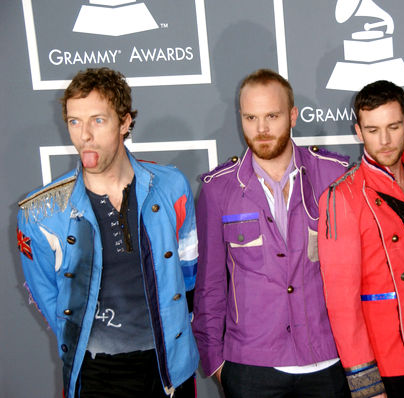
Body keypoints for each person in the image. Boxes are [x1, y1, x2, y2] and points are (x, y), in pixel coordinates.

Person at [16, 68, 199, 398]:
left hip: (170, 366)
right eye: (74, 121)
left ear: (125, 122)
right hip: (98, 373)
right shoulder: (39, 214)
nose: (84, 134)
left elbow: (189, 275)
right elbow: (50, 299)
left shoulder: (172, 187)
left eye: (98, 120)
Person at [192, 69, 350, 397]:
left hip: (330, 362)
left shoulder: (335, 176)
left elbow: (356, 274)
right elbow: (210, 286)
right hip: (250, 369)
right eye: (251, 118)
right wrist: (217, 364)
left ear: (292, 116)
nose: (261, 129)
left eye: (272, 116)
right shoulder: (218, 189)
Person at [318, 80, 404, 398]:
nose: (385, 140)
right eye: (373, 130)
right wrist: (366, 383)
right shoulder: (342, 196)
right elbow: (341, 303)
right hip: (386, 363)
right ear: (359, 132)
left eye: (393, 126)